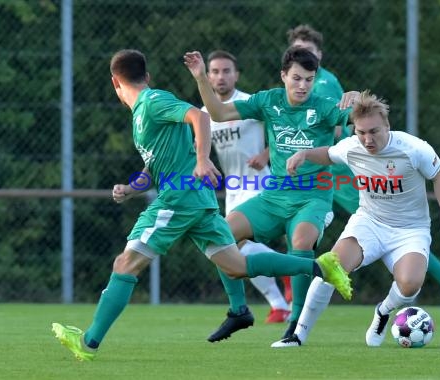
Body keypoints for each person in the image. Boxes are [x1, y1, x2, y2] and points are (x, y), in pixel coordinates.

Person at [50, 49, 352, 361]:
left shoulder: (153, 101)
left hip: (180, 200)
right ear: (147, 76)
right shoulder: (141, 113)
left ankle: (88, 342)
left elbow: (202, 115)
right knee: (237, 267)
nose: (302, 84)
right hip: (199, 200)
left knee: (124, 264)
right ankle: (318, 267)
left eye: (308, 79)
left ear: (115, 82)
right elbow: (153, 167)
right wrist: (131, 188)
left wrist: (202, 159)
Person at [287, 24, 440, 318]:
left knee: (379, 222)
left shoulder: (323, 83)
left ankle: (298, 310)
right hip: (327, 163)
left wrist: (353, 102)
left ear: (320, 55)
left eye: (309, 52)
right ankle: (295, 312)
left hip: (346, 168)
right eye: (298, 52)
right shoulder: (298, 85)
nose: (304, 57)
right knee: (302, 231)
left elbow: (343, 121)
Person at [184, 46, 355, 343]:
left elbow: (363, 122)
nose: (303, 85)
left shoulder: (325, 107)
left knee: (300, 240)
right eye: (297, 78)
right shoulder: (268, 100)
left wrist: (358, 99)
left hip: (313, 196)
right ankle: (238, 310)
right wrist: (200, 77)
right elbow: (218, 112)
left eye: (309, 79)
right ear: (283, 76)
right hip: (274, 195)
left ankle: (296, 325)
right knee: (218, 233)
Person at [271, 90, 440, 348]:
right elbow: (328, 154)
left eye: (374, 131)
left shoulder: (412, 148)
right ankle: (297, 336)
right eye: (361, 132)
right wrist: (304, 154)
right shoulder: (352, 147)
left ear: (387, 126)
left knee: (410, 284)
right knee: (329, 268)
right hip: (369, 223)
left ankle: (383, 312)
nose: (367, 139)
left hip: (410, 230)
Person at [205, 49, 291, 324]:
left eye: (226, 71)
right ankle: (280, 301)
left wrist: (266, 154)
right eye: (215, 71)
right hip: (233, 188)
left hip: (259, 183)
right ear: (207, 76)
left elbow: (282, 127)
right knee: (233, 251)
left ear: (236, 75)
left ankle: (284, 283)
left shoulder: (248, 103)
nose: (221, 76)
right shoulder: (206, 113)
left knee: (231, 244)